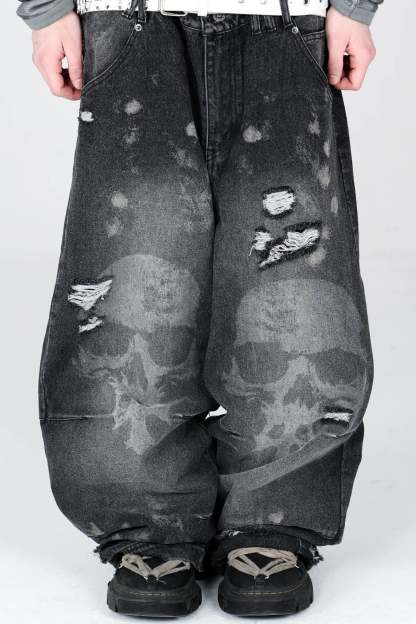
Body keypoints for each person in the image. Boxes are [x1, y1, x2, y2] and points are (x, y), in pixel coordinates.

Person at [17, 0, 381, 618]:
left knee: (293, 280)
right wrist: (47, 11)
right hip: (128, 18)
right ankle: (146, 518)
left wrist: (353, 6)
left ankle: (273, 514)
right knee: (129, 279)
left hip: (290, 22)